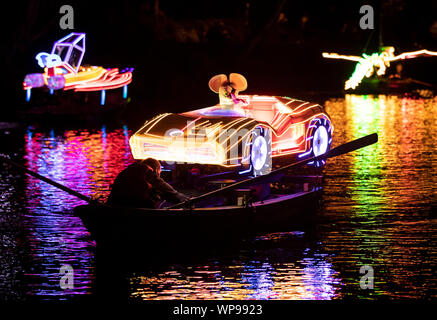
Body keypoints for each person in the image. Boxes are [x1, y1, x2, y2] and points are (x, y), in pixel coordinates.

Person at [107, 158, 189, 208]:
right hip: (136, 210)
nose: (158, 176)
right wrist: (189, 200)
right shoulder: (150, 174)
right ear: (156, 170)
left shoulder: (126, 171)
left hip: (114, 206)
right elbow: (174, 195)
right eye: (159, 173)